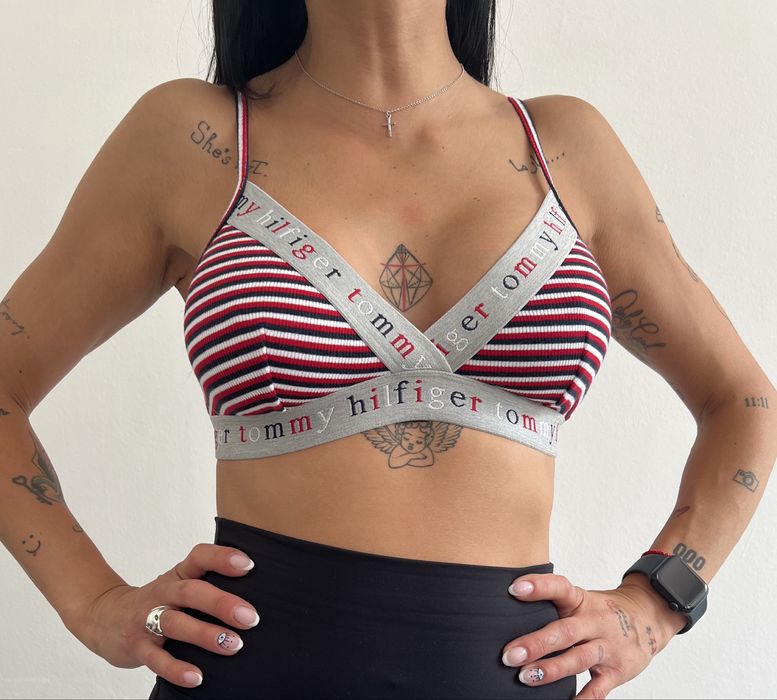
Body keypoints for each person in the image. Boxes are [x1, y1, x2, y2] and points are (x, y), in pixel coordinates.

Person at [0, 1, 775, 698]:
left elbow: (743, 403)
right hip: (249, 675)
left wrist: (655, 603)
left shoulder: (565, 148)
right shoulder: (194, 139)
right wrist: (92, 604)